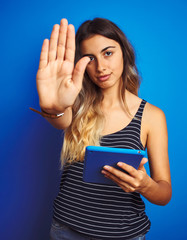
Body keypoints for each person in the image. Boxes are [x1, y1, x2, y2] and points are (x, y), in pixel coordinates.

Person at [33, 18, 172, 240]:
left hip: (124, 235)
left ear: (125, 52)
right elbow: (61, 119)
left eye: (108, 53)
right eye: (90, 59)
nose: (100, 67)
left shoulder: (152, 116)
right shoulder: (75, 103)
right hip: (66, 231)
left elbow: (164, 194)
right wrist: (54, 107)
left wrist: (144, 186)